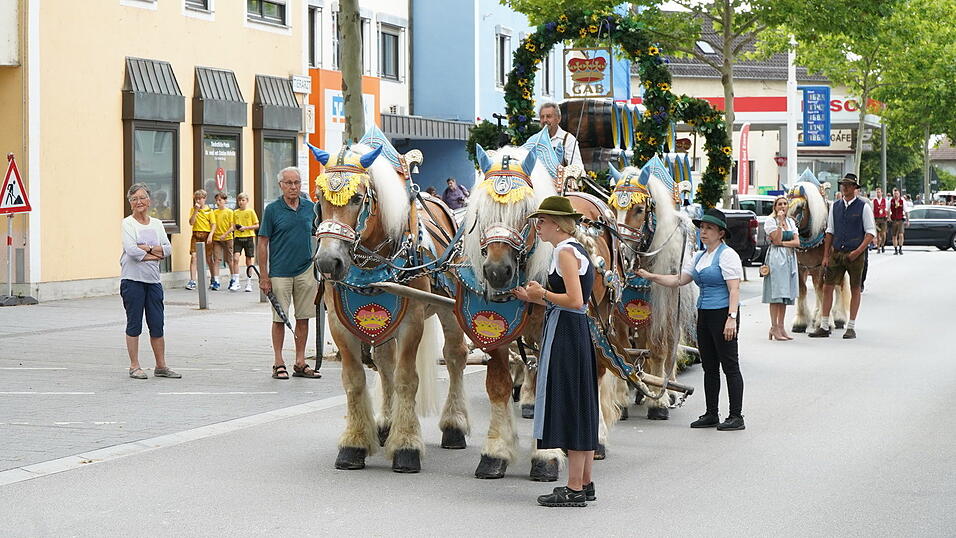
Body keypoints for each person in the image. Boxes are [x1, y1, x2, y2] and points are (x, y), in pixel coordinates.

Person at [513, 196, 598, 508]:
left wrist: (542, 293)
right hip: (572, 330)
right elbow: (573, 298)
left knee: (572, 405)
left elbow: (575, 300)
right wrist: (534, 298)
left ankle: (574, 489)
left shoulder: (564, 252)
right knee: (581, 405)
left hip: (567, 332)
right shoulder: (573, 249)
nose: (539, 226)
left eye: (544, 221)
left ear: (558, 224)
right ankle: (584, 483)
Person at [638, 208, 745, 431]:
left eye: (709, 229)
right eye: (702, 228)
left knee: (730, 367)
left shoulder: (727, 256)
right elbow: (680, 279)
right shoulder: (700, 257)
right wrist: (651, 276)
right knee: (709, 367)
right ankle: (711, 413)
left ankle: (736, 416)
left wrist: (731, 318)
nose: (703, 232)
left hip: (723, 313)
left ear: (721, 233)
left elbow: (734, 290)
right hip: (704, 314)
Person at [257, 167, 321, 380]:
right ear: (280, 185)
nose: (293, 187)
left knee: (304, 318)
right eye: (289, 183)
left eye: (297, 183)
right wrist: (264, 276)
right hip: (280, 272)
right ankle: (278, 361)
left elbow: (321, 235)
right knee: (280, 319)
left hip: (305, 270)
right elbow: (263, 243)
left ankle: (300, 362)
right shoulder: (273, 210)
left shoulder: (310, 208)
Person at [121, 183, 179, 380]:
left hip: (153, 281)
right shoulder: (127, 223)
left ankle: (161, 366)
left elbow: (168, 249)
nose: (139, 202)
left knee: (157, 323)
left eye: (143, 198)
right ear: (130, 203)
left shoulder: (156, 224)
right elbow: (131, 250)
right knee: (134, 323)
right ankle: (134, 366)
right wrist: (154, 252)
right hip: (132, 280)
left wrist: (145, 249)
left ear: (149, 201)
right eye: (134, 199)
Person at [809, 174, 876, 339]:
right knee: (827, 286)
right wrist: (825, 255)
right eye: (843, 185)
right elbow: (829, 232)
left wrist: (857, 252)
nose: (844, 187)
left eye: (848, 185)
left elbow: (870, 233)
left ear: (855, 188)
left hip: (855, 253)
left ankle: (851, 326)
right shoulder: (835, 207)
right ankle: (824, 325)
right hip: (837, 253)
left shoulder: (863, 207)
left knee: (855, 288)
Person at [762, 196, 800, 340]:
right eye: (779, 204)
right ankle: (774, 327)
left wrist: (784, 244)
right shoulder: (770, 221)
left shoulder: (790, 222)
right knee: (776, 293)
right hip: (776, 259)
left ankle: (782, 327)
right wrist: (779, 223)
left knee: (785, 294)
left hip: (789, 257)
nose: (782, 206)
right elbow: (776, 239)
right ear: (775, 207)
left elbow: (797, 242)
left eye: (784, 204)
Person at [538, 102, 584, 170]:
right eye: (542, 117)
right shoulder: (536, 140)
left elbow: (577, 167)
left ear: (558, 119)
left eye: (549, 116)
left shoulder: (568, 139)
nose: (545, 120)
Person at [186, 189, 216, 290]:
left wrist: (211, 235)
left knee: (208, 258)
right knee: (194, 257)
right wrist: (195, 211)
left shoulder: (209, 211)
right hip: (196, 234)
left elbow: (213, 224)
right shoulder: (193, 209)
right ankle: (193, 280)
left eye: (200, 199)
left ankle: (213, 278)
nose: (198, 201)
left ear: (205, 199)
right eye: (197, 199)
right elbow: (191, 222)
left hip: (206, 234)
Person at [211, 192, 239, 291]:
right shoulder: (214, 212)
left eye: (220, 200)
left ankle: (233, 278)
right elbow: (213, 225)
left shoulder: (230, 212)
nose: (218, 202)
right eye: (217, 200)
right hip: (217, 239)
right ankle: (216, 281)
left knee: (229, 259)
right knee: (217, 259)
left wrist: (225, 234)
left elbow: (232, 226)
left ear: (225, 201)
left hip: (228, 238)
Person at [232, 192, 260, 292]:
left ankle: (249, 282)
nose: (241, 202)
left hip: (248, 237)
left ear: (247, 201)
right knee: (235, 258)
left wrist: (246, 227)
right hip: (238, 238)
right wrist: (226, 234)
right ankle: (236, 281)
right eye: (239, 200)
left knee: (249, 261)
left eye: (243, 200)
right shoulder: (235, 212)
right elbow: (233, 226)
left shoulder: (251, 212)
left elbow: (257, 225)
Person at [889, 187, 907, 255]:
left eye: (897, 193)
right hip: (894, 219)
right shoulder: (891, 201)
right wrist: (889, 217)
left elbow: (906, 210)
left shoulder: (902, 201)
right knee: (894, 235)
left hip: (900, 220)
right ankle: (895, 249)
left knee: (901, 234)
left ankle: (900, 248)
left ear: (899, 194)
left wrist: (907, 220)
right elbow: (888, 210)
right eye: (894, 193)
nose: (896, 195)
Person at [872, 187, 889, 253]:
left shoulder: (885, 201)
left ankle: (882, 245)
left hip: (883, 219)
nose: (878, 194)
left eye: (879, 192)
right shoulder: (874, 201)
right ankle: (878, 247)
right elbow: (872, 210)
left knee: (883, 234)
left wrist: (887, 216)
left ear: (881, 193)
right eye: (877, 192)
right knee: (878, 234)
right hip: (876, 219)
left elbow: (887, 210)